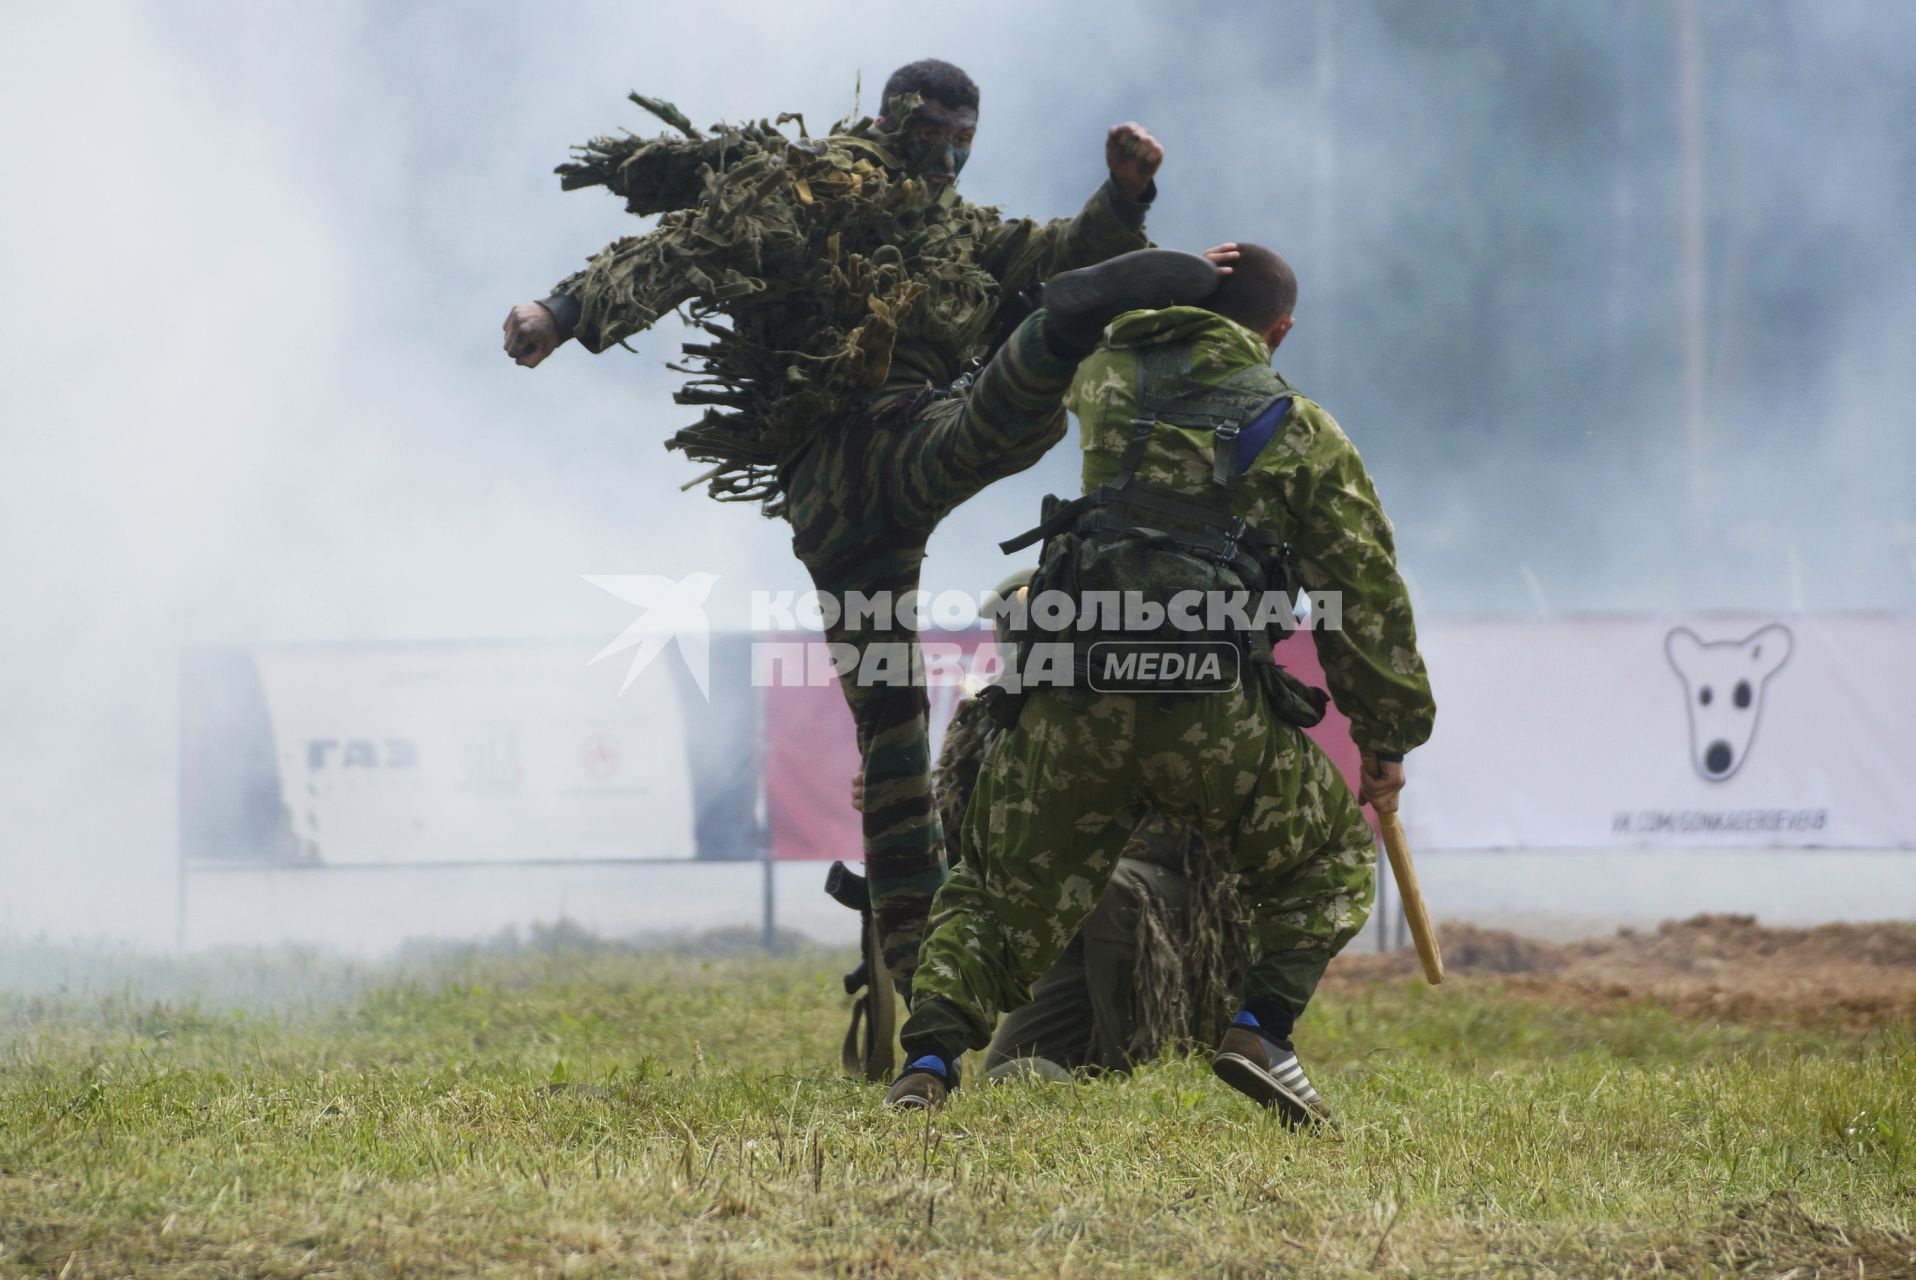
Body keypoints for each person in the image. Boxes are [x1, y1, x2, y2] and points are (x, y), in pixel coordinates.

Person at [500, 60, 1185, 995]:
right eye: (929, 136)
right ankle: (1054, 344)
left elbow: (1058, 245)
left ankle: (925, 989)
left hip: (859, 520)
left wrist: (1123, 196)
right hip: (853, 452)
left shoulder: (961, 227)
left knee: (894, 732)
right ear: (890, 120)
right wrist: (565, 311)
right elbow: (688, 247)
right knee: (1003, 424)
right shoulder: (818, 186)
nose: (945, 159)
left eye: (962, 142)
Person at [887, 244, 1437, 1126]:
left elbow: (1053, 351)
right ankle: (1261, 1033)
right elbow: (1363, 592)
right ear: (1280, 330)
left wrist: (1135, 291)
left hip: (1080, 696)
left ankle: (927, 1063)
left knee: (995, 887)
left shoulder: (1103, 379)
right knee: (1329, 856)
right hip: (1212, 711)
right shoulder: (1299, 428)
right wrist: (1387, 739)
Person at [858, 572, 1241, 1081]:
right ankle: (1077, 1066)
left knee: (1109, 885)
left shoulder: (1139, 700)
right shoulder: (992, 719)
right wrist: (902, 808)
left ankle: (1138, 1066)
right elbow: (958, 846)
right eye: (1011, 627)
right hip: (1054, 916)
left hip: (1167, 907)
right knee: (1011, 1073)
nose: (1019, 637)